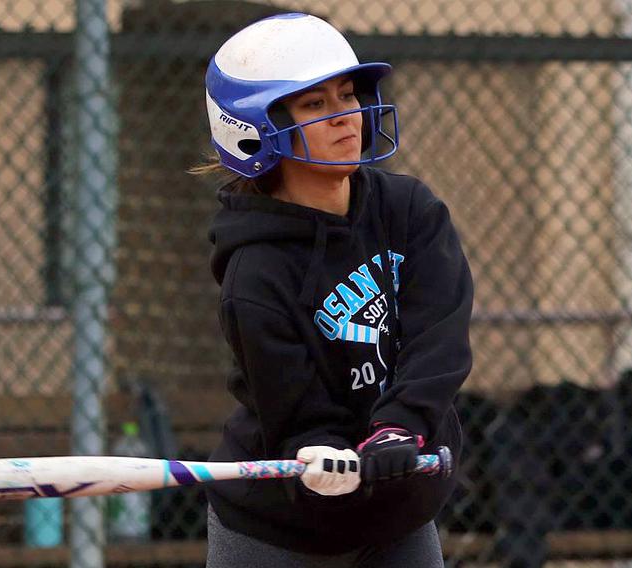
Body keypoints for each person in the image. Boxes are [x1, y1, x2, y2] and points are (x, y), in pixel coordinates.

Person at [196, 12, 473, 568]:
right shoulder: (256, 273)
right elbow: (297, 411)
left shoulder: (408, 211)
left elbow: (437, 339)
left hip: (398, 515)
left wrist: (400, 426)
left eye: (347, 96)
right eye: (315, 105)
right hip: (278, 532)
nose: (346, 117)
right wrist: (315, 451)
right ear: (255, 129)